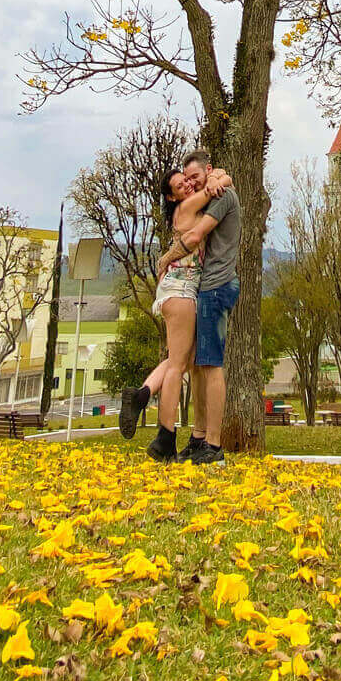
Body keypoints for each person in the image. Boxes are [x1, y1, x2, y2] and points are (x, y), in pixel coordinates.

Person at [117, 162, 231, 457]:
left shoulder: (182, 210)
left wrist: (217, 175)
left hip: (176, 291)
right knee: (180, 366)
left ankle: (142, 395)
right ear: (172, 197)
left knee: (181, 359)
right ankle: (165, 437)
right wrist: (219, 175)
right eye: (181, 186)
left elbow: (213, 182)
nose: (188, 186)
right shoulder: (191, 205)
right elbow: (214, 186)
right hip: (182, 291)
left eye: (188, 182)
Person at [152, 146, 241, 467]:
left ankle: (213, 445)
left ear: (208, 170)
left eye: (194, 177)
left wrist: (165, 258)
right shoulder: (212, 191)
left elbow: (195, 236)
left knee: (211, 365)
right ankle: (200, 437)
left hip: (216, 286)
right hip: (203, 288)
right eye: (184, 180)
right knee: (200, 366)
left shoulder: (222, 195)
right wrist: (217, 177)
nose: (190, 183)